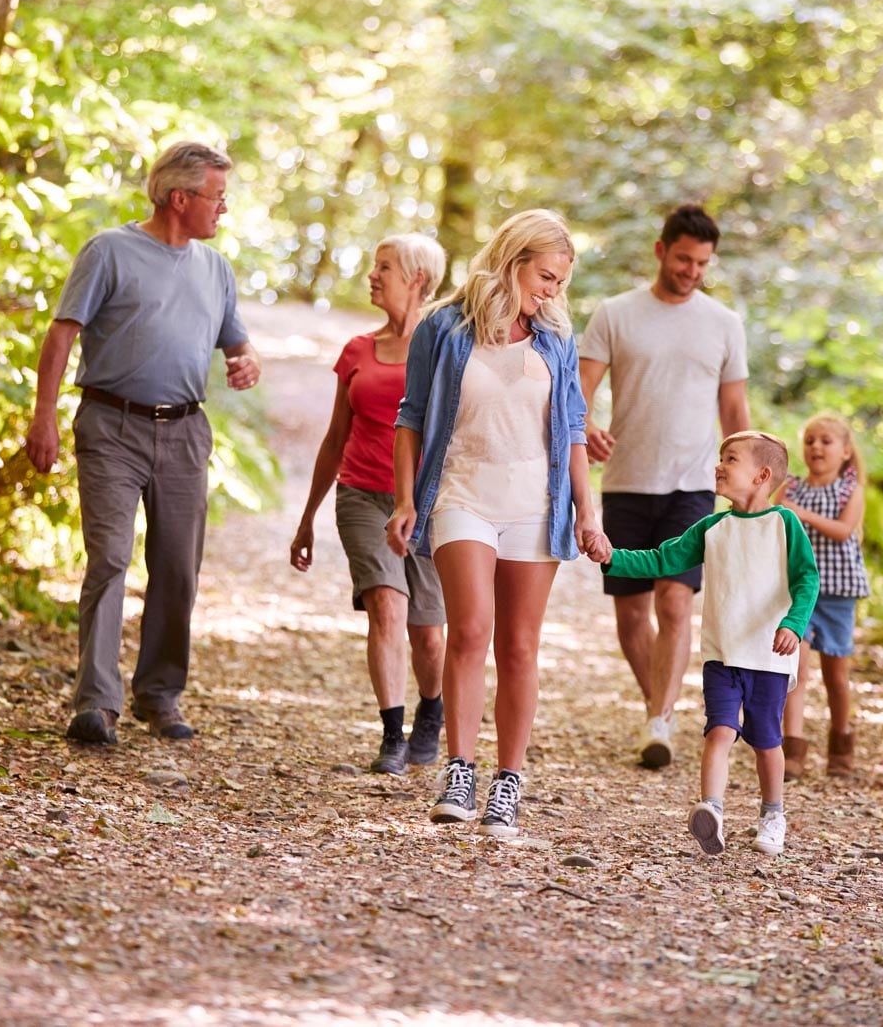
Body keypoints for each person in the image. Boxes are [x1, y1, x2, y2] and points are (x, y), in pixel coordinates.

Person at [26, 140, 262, 746]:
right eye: (217, 197)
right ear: (180, 198)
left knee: (178, 567)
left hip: (185, 432)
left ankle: (159, 695)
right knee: (109, 559)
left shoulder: (216, 270)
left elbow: (237, 344)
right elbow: (60, 336)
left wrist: (245, 361)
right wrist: (44, 417)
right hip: (112, 426)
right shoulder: (109, 251)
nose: (223, 210)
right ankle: (98, 703)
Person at [386, 208, 607, 838]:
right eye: (544, 276)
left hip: (535, 504)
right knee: (471, 629)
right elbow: (410, 418)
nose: (552, 291)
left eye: (561, 282)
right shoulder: (444, 329)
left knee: (518, 646)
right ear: (511, 261)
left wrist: (586, 512)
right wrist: (405, 502)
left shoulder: (557, 340)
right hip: (462, 493)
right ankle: (460, 769)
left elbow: (570, 430)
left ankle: (508, 781)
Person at [578, 204, 751, 769]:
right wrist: (586, 428)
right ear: (660, 250)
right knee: (631, 616)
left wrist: (745, 483)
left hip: (693, 487)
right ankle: (660, 704)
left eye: (702, 262)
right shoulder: (615, 314)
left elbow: (734, 408)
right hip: (626, 482)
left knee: (675, 601)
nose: (692, 270)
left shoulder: (724, 324)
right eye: (684, 258)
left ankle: (660, 719)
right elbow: (578, 394)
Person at [592, 432, 818, 856]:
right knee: (719, 730)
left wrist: (794, 624)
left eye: (730, 459)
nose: (720, 465)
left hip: (769, 657)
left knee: (767, 740)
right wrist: (612, 557)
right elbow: (662, 559)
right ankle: (711, 810)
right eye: (720, 457)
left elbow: (807, 580)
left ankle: (773, 814)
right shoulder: (712, 528)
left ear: (761, 475)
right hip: (722, 654)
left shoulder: (784, 525)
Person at [290, 235, 449, 775]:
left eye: (385, 268)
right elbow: (336, 437)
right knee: (387, 603)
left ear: (417, 279)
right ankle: (391, 733)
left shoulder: (447, 344)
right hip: (362, 494)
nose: (373, 276)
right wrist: (307, 517)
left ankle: (433, 710)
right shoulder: (357, 350)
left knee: (428, 631)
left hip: (428, 502)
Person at [777, 412, 870, 778]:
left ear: (845, 451)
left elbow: (844, 530)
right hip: (799, 593)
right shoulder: (790, 488)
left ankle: (841, 743)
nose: (816, 447)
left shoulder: (852, 490)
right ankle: (792, 749)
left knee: (836, 676)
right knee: (795, 670)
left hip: (838, 595)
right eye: (810, 440)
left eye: (825, 441)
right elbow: (774, 523)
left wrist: (802, 514)